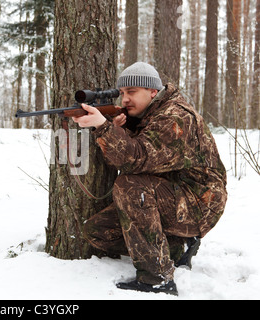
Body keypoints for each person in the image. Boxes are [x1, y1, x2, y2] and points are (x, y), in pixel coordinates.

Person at [71, 62, 227, 296]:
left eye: (132, 92)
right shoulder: (147, 115)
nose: (124, 99)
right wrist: (116, 129)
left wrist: (103, 128)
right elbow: (136, 153)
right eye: (122, 93)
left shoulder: (175, 117)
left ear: (153, 91)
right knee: (98, 231)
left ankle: (156, 278)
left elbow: (136, 159)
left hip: (198, 202)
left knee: (130, 185)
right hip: (169, 193)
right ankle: (177, 247)